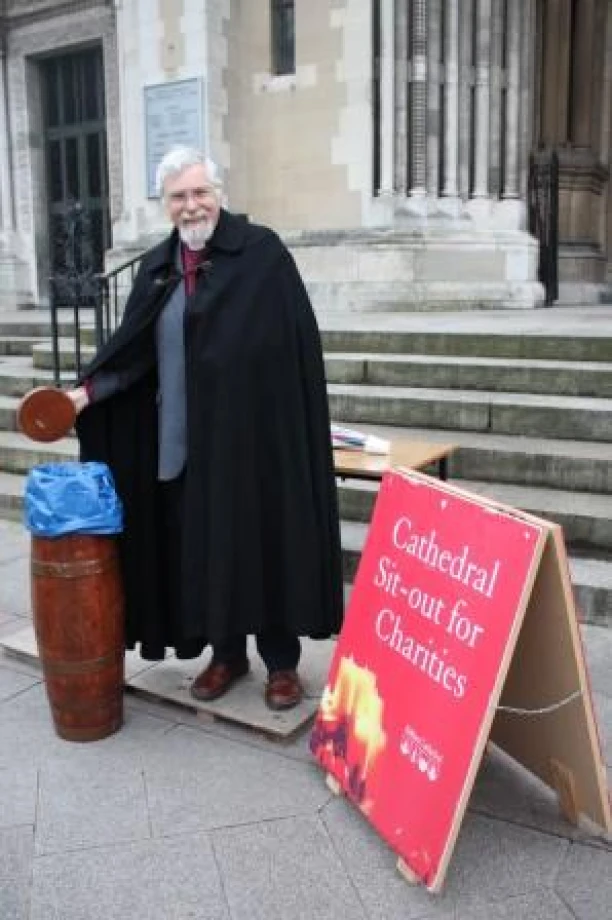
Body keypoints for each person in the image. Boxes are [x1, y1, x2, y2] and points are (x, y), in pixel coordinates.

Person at [68, 146, 343, 711]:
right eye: (179, 197)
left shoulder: (262, 255)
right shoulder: (158, 267)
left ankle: (282, 663)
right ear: (165, 205)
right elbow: (134, 355)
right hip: (183, 445)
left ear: (218, 194)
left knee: (261, 543)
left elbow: (291, 351)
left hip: (253, 444)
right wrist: (81, 395)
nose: (191, 206)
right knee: (202, 548)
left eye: (200, 193)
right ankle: (226, 654)